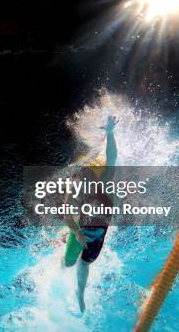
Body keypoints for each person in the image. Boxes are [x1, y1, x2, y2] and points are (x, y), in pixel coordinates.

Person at [64, 116, 117, 312]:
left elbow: (112, 157)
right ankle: (64, 253)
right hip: (81, 226)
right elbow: (67, 216)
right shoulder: (74, 189)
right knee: (68, 262)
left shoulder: (104, 180)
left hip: (97, 228)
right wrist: (76, 232)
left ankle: (80, 293)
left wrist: (111, 133)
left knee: (85, 263)